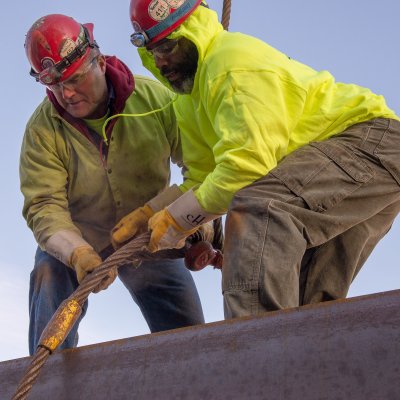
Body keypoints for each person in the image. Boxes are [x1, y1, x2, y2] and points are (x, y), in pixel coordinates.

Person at [112, 0, 400, 319]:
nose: (161, 61)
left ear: (194, 29)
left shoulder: (229, 63)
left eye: (168, 46)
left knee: (258, 209)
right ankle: (300, 363)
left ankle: (252, 357)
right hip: (358, 167)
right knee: (309, 306)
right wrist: (152, 212)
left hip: (369, 142)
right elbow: (205, 176)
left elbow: (244, 172)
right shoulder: (189, 101)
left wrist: (177, 220)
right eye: (152, 51)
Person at [20, 13, 205, 355]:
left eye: (74, 80)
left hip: (150, 234)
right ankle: (44, 383)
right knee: (49, 275)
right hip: (77, 240)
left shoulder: (156, 100)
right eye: (56, 86)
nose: (68, 94)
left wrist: (199, 227)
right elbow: (44, 207)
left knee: (191, 341)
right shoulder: (41, 131)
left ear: (100, 62)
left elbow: (201, 169)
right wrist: (77, 253)